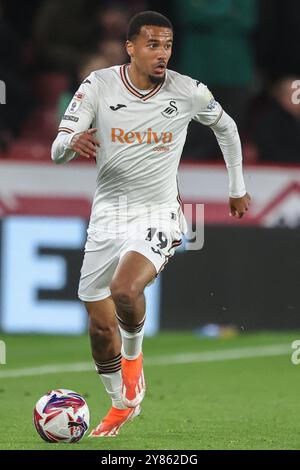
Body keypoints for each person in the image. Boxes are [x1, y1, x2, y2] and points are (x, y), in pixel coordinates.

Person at [51, 11, 250, 437]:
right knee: (100, 325)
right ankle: (120, 400)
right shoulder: (98, 85)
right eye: (152, 45)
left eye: (168, 45)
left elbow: (228, 128)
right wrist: (72, 141)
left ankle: (134, 367)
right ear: (131, 47)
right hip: (108, 215)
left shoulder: (189, 91)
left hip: (159, 211)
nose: (162, 54)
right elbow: (56, 149)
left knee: (126, 288)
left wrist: (236, 188)